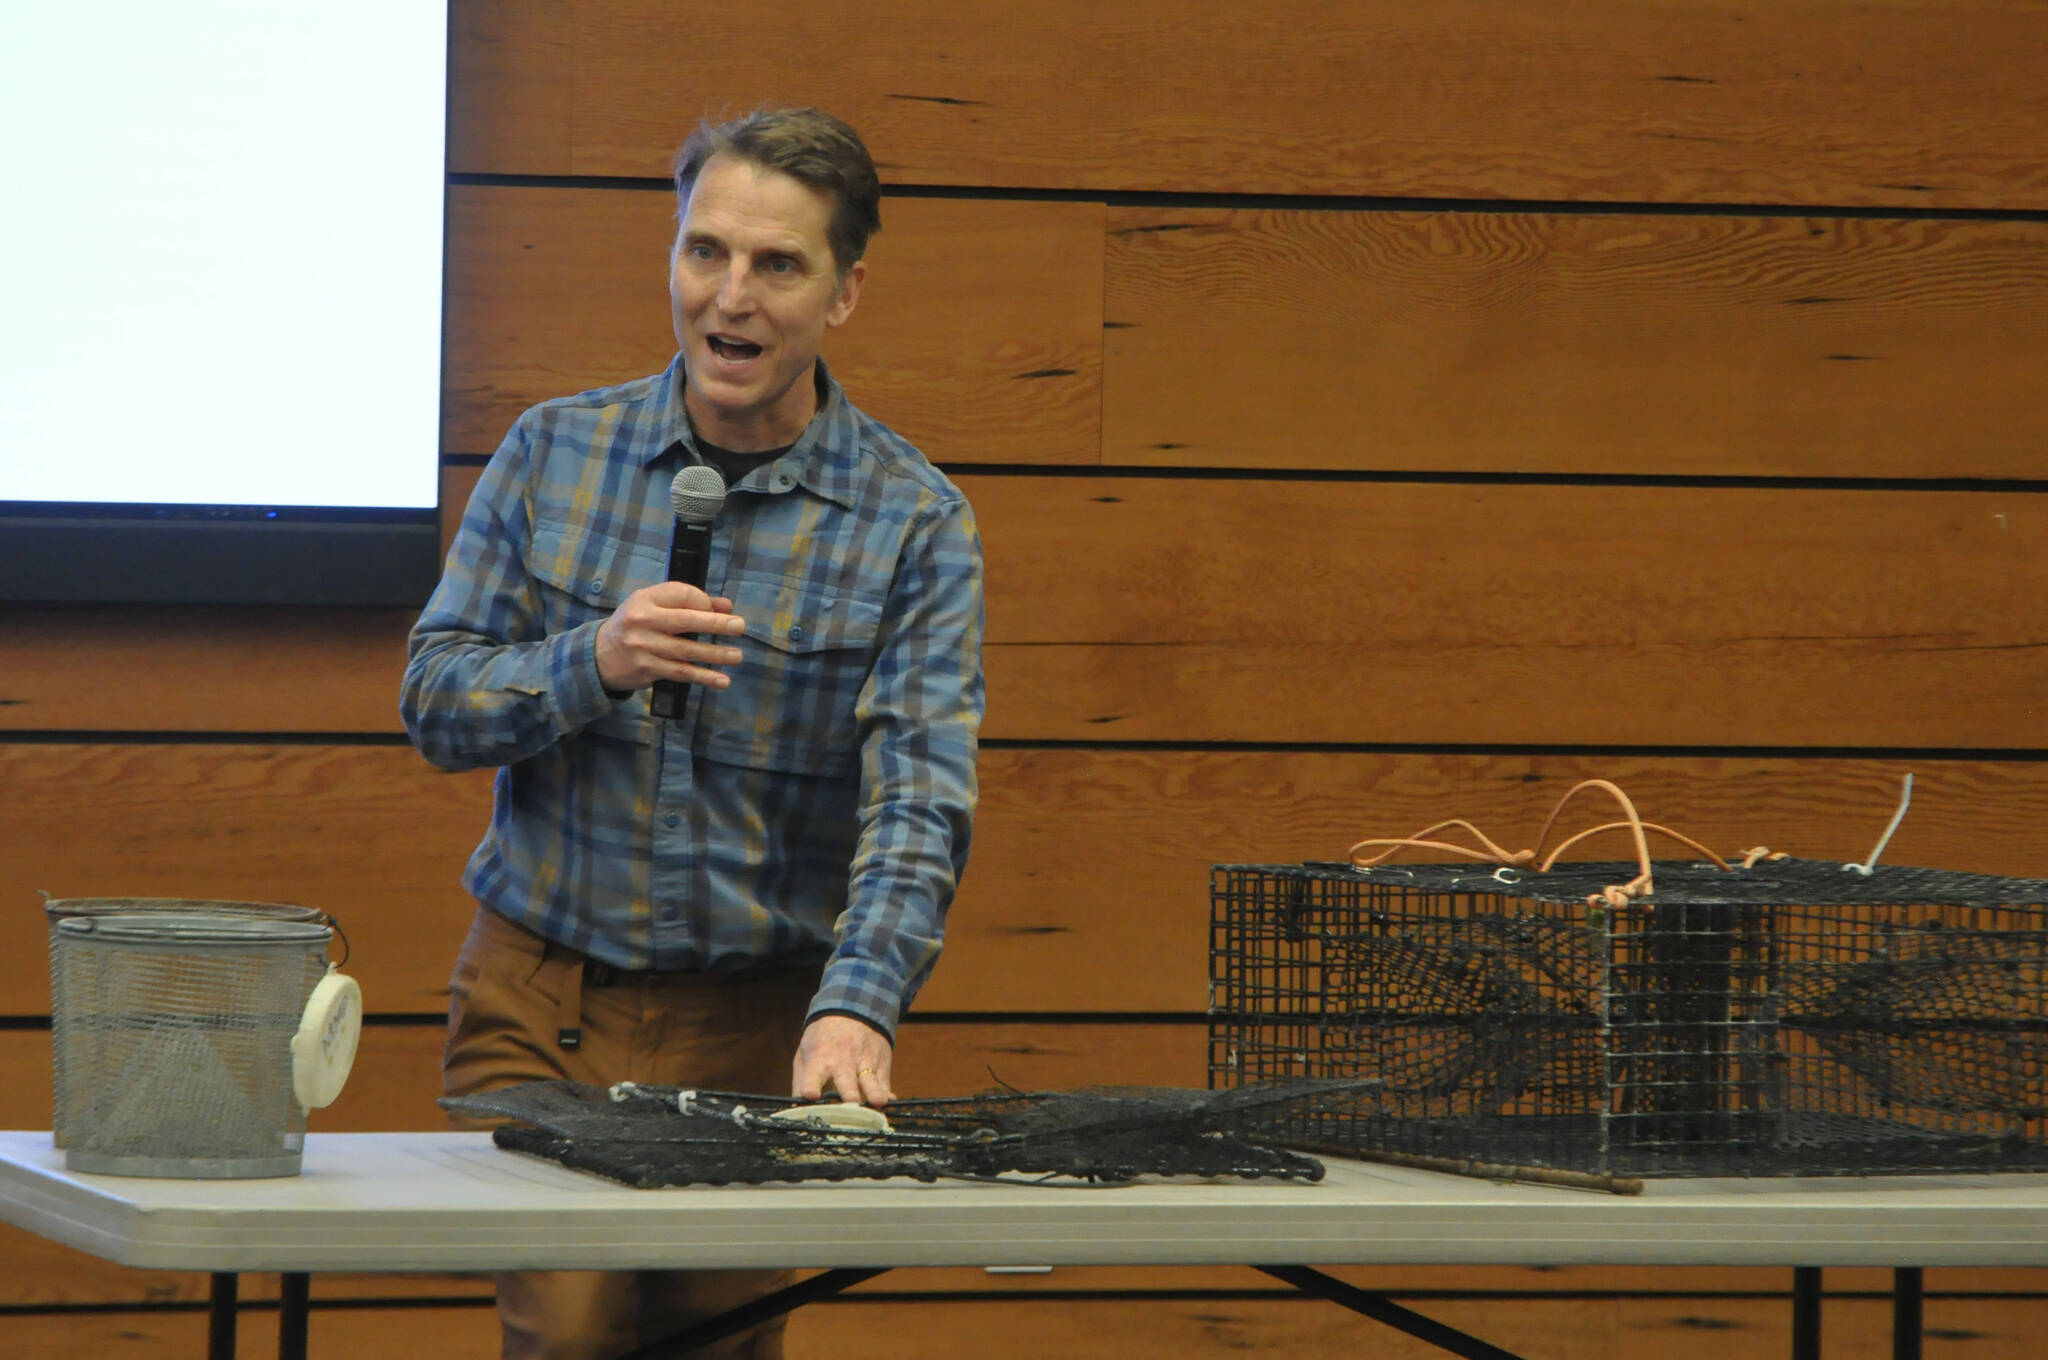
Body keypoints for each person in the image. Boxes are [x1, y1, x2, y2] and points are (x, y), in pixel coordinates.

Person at [400, 107, 984, 1360]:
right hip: (545, 991)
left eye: (779, 265)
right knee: (569, 1326)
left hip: (753, 1017)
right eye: (704, 252)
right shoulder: (553, 452)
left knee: (721, 1339)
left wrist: (859, 1006)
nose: (732, 296)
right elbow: (435, 704)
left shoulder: (913, 521)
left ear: (844, 293)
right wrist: (591, 660)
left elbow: (918, 797)